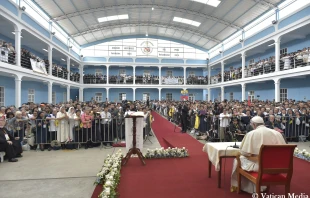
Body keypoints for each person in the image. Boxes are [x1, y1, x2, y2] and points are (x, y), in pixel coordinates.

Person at [230, 116, 287, 194]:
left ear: (253, 124)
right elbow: (283, 150)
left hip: (259, 166)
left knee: (237, 160)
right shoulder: (276, 133)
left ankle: (245, 187)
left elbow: (244, 152)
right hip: (276, 165)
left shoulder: (251, 134)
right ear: (263, 123)